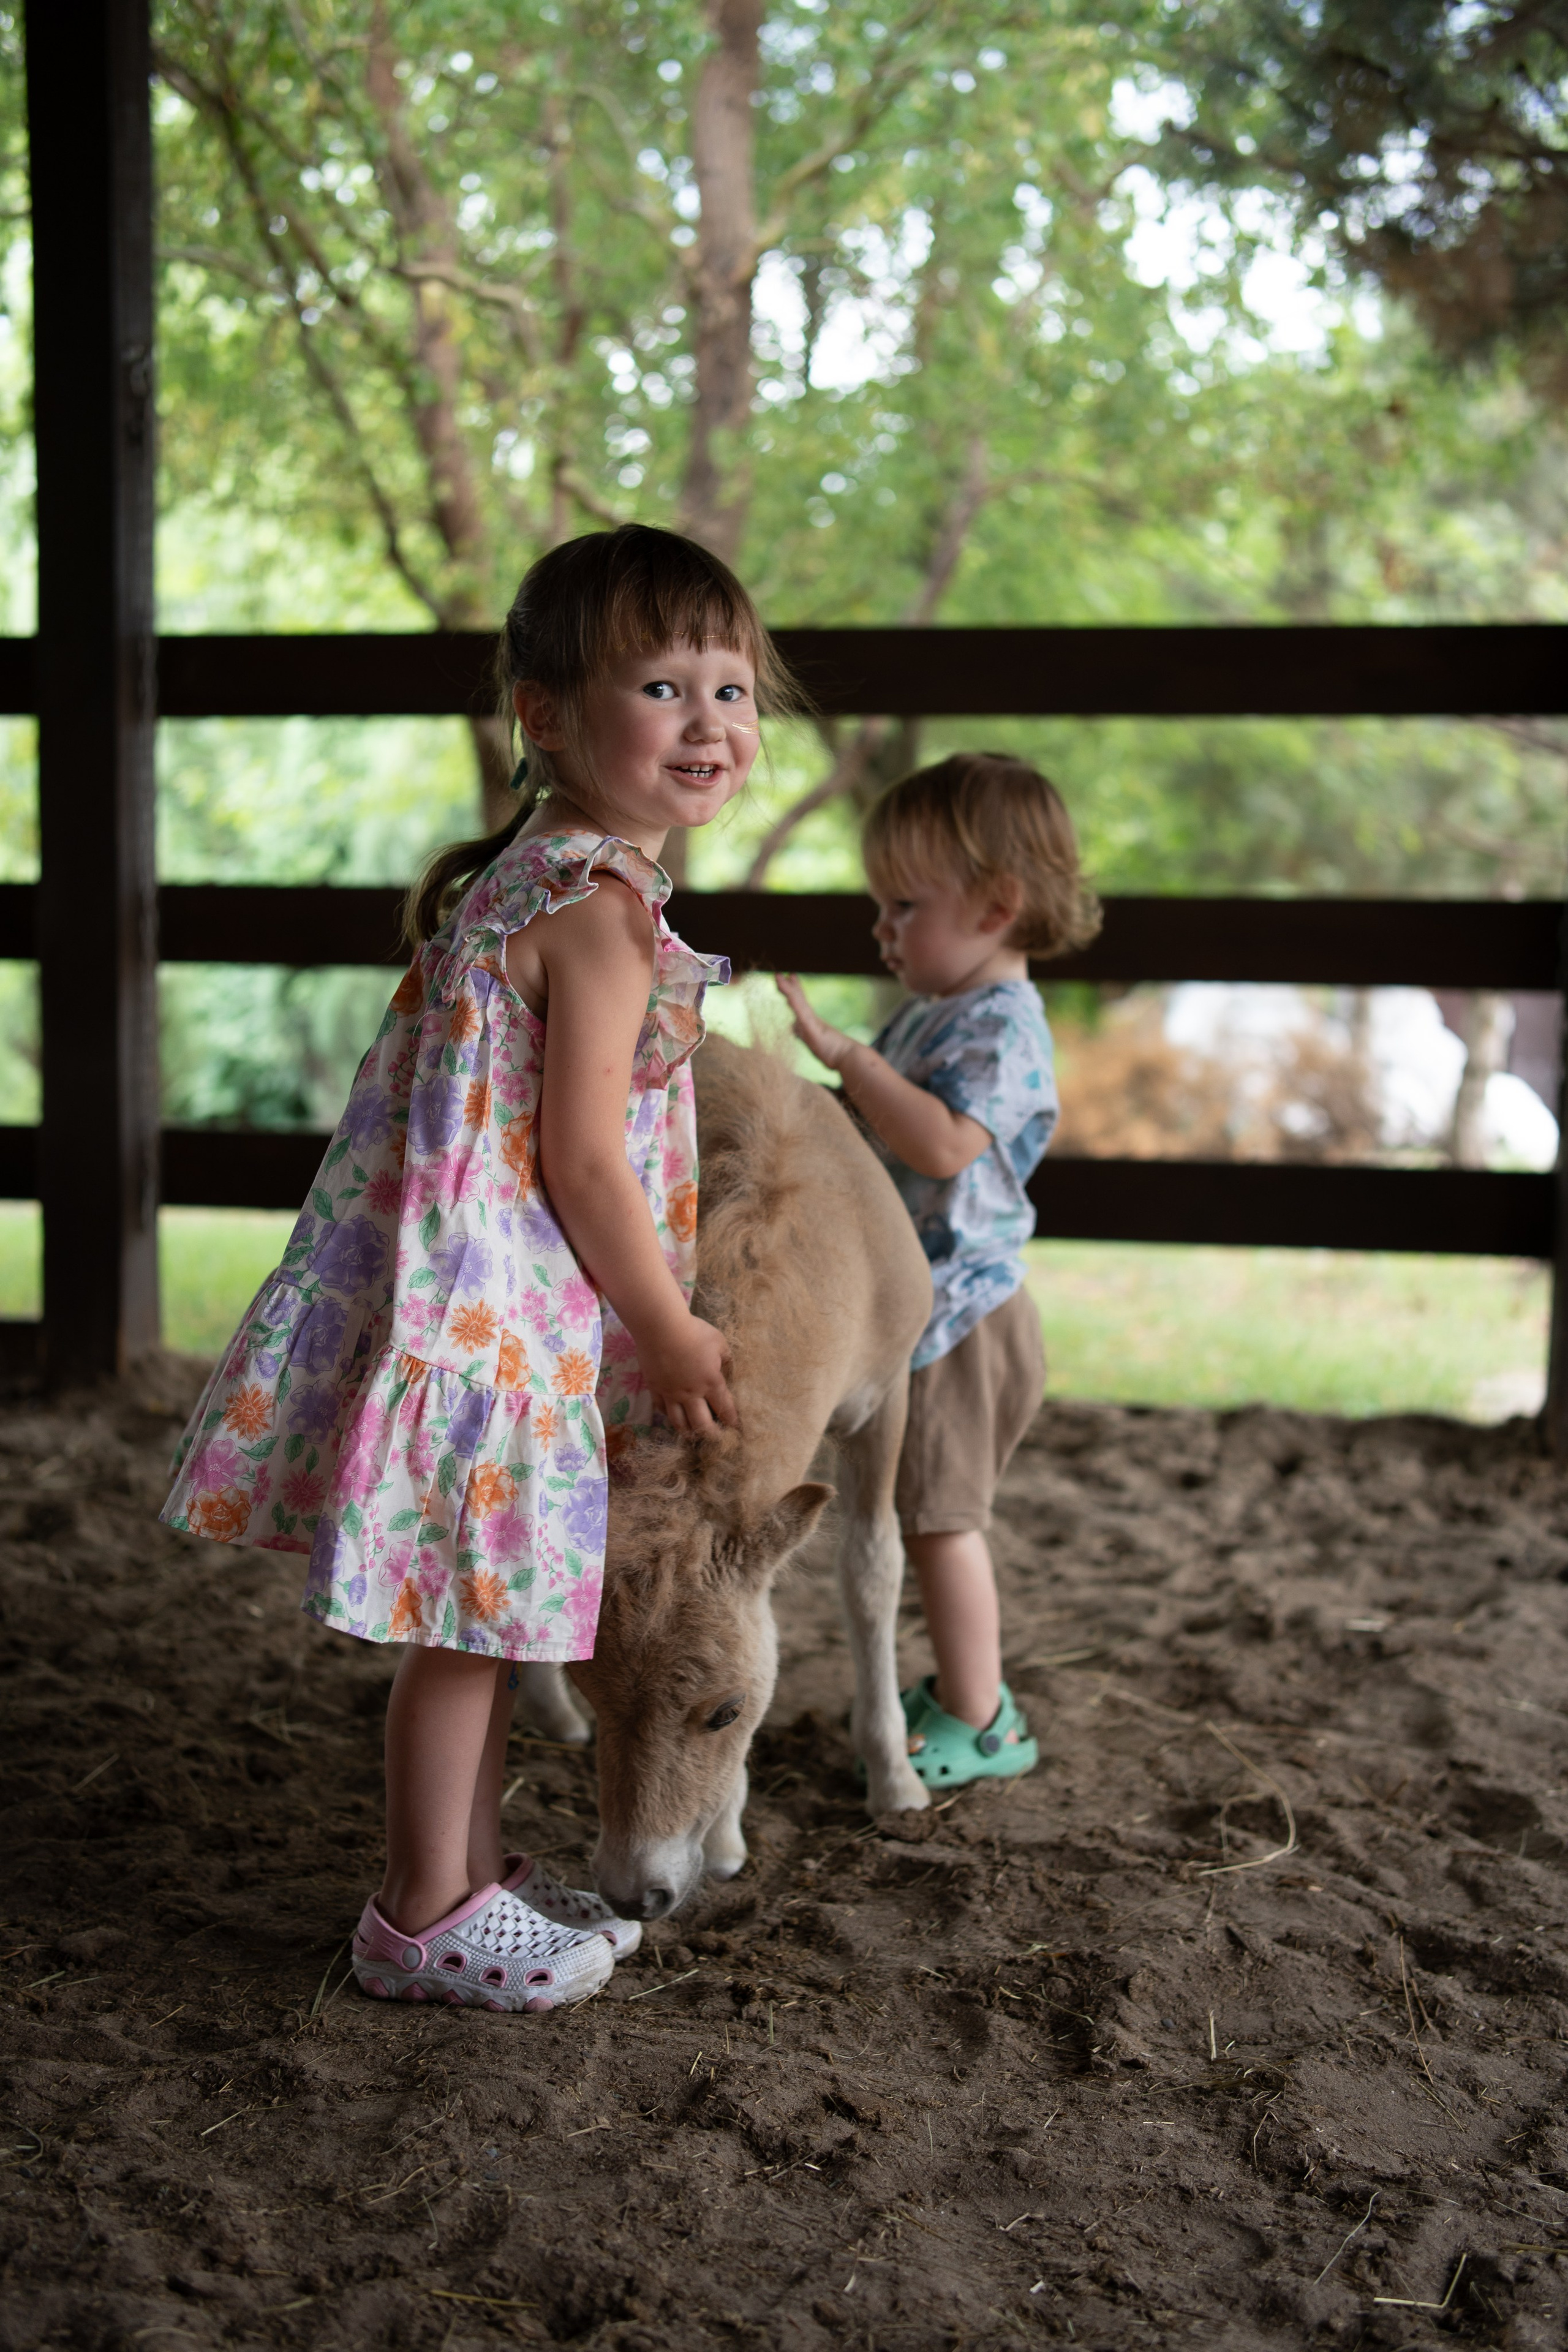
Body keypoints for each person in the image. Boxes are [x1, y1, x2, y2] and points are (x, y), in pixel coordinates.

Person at [163, 524, 798, 2008]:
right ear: (544, 713)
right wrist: (667, 1322)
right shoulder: (589, 912)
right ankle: (420, 1909)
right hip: (499, 1334)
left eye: (733, 689)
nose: (709, 722)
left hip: (489, 1320)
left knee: (482, 1622)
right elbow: (580, 1159)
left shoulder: (534, 882)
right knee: (465, 1639)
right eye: (661, 685)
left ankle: (465, 1878)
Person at [777, 752, 1099, 1791]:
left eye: (903, 905)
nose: (882, 929)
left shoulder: (1004, 1027)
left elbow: (944, 1147)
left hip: (969, 1323)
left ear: (998, 907)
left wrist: (850, 1064)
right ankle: (962, 1699)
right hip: (924, 1314)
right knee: (920, 1517)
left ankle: (984, 1717)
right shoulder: (936, 1011)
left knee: (941, 1522)